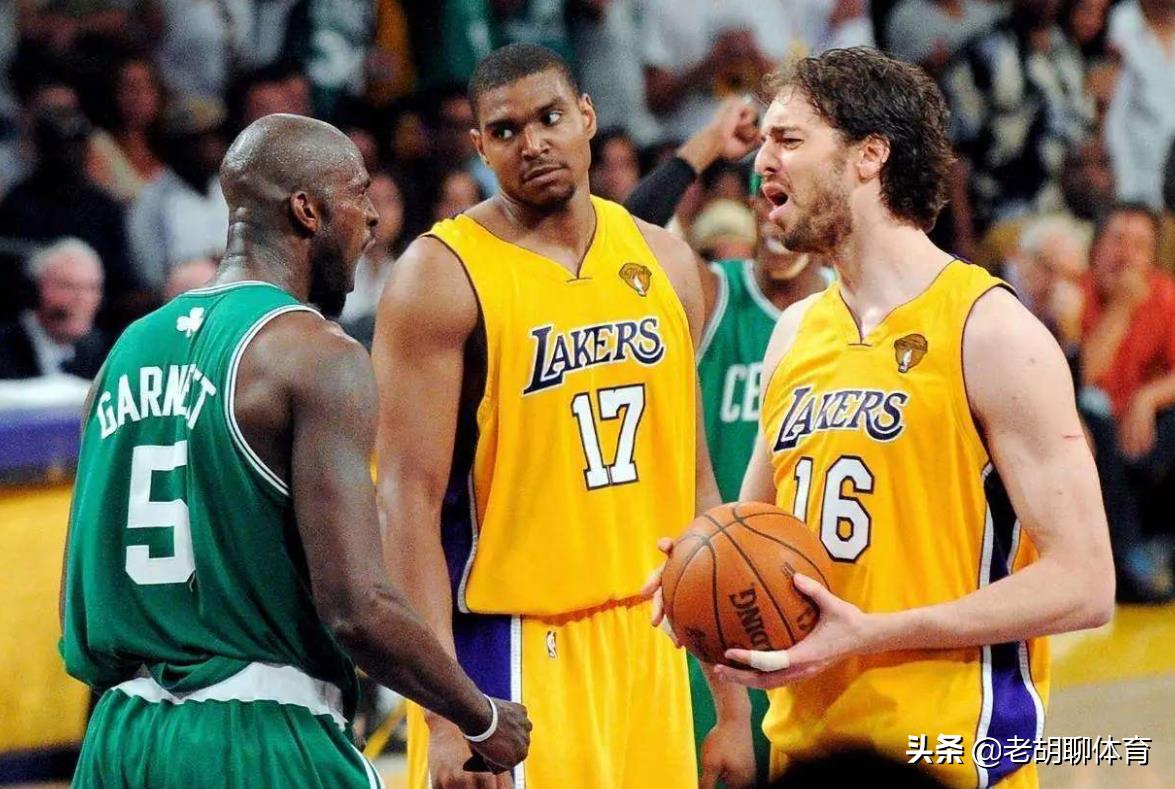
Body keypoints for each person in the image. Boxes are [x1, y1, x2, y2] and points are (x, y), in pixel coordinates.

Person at [665, 48, 1114, 788]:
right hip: (810, 753)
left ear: (869, 156)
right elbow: (751, 535)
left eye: (788, 139)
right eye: (762, 141)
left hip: (947, 757)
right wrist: (697, 571)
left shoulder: (990, 331)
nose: (761, 161)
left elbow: (1085, 582)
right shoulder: (795, 334)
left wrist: (872, 633)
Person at [59, 114, 531, 787]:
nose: (373, 216)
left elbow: (78, 592)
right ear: (308, 211)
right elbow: (357, 608)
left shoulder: (125, 352)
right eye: (358, 192)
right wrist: (477, 713)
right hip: (258, 734)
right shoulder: (315, 355)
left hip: (118, 739)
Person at [372, 43, 754, 789]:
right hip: (507, 654)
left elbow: (695, 484)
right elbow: (405, 503)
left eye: (549, 118)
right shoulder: (440, 274)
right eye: (505, 130)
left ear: (587, 117)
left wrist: (731, 709)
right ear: (479, 146)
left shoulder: (666, 260)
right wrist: (444, 718)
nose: (533, 143)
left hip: (649, 643)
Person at [0, 238, 107, 379]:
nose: (82, 298)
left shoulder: (101, 355)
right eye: (68, 286)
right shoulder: (5, 350)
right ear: (36, 290)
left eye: (92, 288)